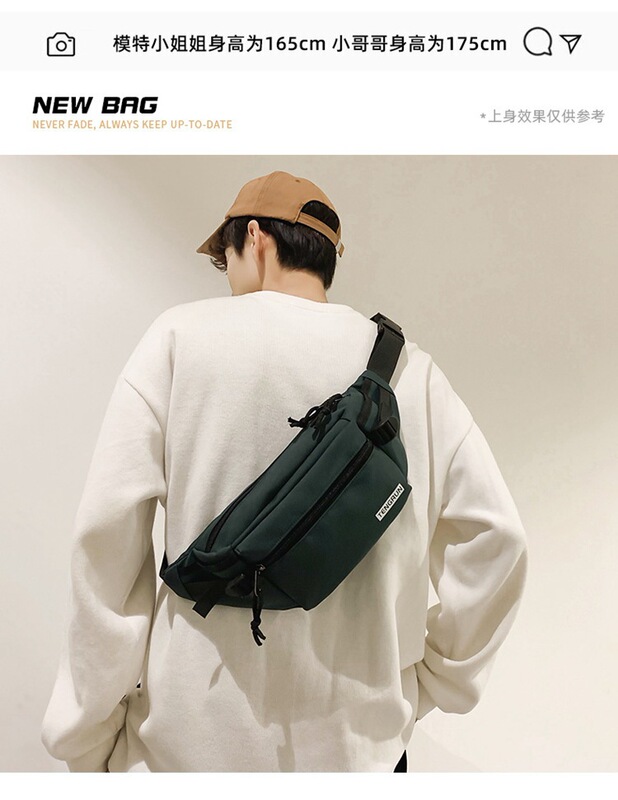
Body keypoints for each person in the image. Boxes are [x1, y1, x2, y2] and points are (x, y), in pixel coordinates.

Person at [41, 170, 528, 772]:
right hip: (359, 754)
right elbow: (498, 540)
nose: (227, 277)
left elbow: (105, 545)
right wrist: (434, 681)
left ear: (254, 237)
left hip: (185, 747)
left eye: (224, 259)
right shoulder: (413, 374)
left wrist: (87, 736)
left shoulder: (177, 340)